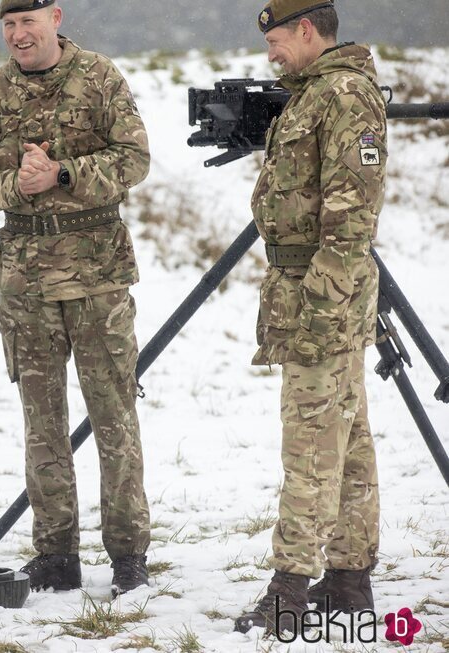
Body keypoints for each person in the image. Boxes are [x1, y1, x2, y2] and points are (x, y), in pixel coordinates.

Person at [0, 0, 152, 596]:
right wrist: (18, 182)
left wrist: (63, 173)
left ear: (56, 18)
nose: (18, 34)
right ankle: (56, 555)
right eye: (9, 25)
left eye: (28, 21)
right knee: (42, 423)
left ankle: (127, 554)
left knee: (114, 416)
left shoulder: (99, 77)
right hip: (25, 282)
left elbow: (135, 159)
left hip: (97, 278)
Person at [234, 0, 386, 637]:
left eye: (275, 39)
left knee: (310, 440)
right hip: (308, 284)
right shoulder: (314, 93)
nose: (270, 51)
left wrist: (321, 307)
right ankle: (349, 579)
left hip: (323, 289)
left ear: (305, 30)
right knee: (345, 439)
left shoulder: (345, 95)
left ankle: (288, 589)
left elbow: (351, 221)